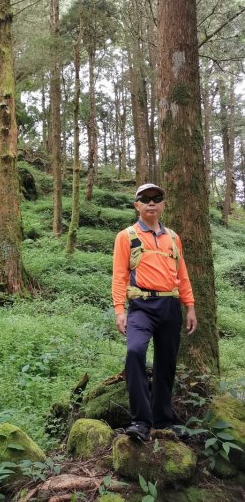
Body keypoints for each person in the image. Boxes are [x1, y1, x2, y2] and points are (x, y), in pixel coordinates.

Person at [112, 183, 197, 442]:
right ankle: (140, 420)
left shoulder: (173, 237)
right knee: (135, 351)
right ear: (136, 205)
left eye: (156, 198)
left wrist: (190, 306)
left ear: (162, 204)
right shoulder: (126, 236)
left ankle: (163, 420)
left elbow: (181, 275)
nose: (151, 202)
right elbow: (119, 275)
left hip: (171, 307)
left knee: (166, 363)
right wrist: (119, 310)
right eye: (145, 198)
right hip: (141, 307)